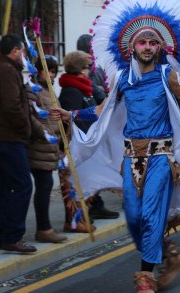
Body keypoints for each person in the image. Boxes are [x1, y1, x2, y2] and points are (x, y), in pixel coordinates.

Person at [56, 0, 180, 293]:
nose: (146, 46)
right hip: (131, 159)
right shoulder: (123, 79)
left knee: (150, 214)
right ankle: (167, 252)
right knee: (133, 217)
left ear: (160, 48)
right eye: (142, 42)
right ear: (131, 48)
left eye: (152, 42)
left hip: (162, 158)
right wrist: (72, 116)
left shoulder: (167, 76)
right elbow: (104, 112)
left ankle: (145, 275)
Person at [0, 34, 36, 253]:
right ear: (15, 51)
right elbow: (12, 106)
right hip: (9, 137)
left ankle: (1, 237)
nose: (24, 56)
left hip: (1, 136)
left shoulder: (0, 69)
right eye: (23, 52)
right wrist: (26, 128)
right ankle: (12, 236)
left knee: (3, 187)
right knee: (23, 185)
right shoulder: (6, 71)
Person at [58, 51, 119, 228]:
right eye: (86, 67)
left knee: (87, 180)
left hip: (90, 142)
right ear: (79, 69)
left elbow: (97, 107)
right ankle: (75, 220)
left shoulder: (85, 86)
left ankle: (86, 214)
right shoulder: (71, 90)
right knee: (75, 184)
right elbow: (74, 119)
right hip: (78, 144)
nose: (88, 71)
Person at [26, 55, 67, 243]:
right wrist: (44, 133)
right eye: (47, 70)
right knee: (44, 185)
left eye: (53, 71)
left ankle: (45, 227)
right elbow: (30, 115)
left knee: (47, 185)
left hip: (51, 146)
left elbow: (56, 117)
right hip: (39, 146)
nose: (51, 75)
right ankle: (43, 228)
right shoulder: (32, 90)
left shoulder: (50, 92)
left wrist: (64, 132)